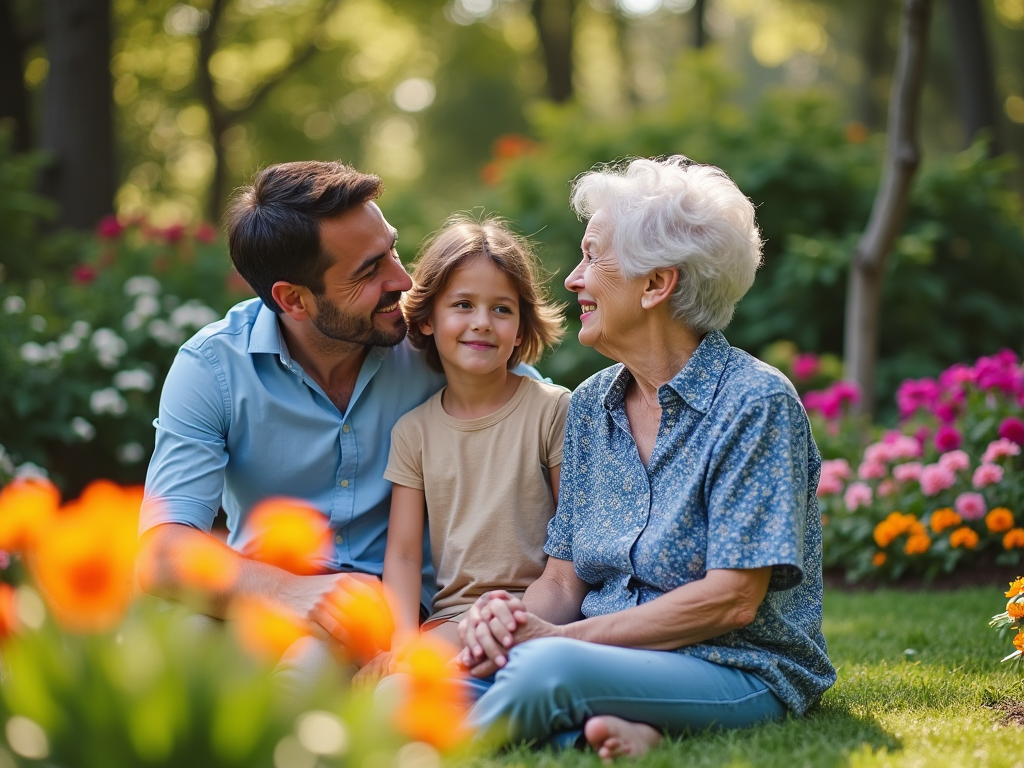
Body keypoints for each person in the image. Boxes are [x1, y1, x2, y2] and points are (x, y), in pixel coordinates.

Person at [457, 156, 837, 760]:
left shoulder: (755, 402)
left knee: (545, 674)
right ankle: (620, 728)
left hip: (735, 667)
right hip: (599, 657)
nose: (574, 279)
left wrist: (557, 640)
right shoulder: (590, 405)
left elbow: (732, 599)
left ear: (657, 285)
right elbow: (562, 578)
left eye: (592, 257)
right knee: (423, 682)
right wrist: (507, 627)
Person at [135, 161, 539, 684]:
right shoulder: (214, 367)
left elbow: (535, 408)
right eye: (369, 271)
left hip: (393, 617)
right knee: (176, 640)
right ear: (294, 300)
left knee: (305, 669)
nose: (404, 279)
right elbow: (163, 553)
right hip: (269, 602)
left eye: (392, 248)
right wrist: (286, 591)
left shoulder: (432, 342)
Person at [355, 216, 569, 685]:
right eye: (464, 305)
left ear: (520, 326)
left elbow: (572, 544)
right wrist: (401, 643)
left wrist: (514, 618)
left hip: (543, 607)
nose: (482, 323)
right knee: (384, 686)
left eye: (501, 309)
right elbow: (406, 554)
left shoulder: (553, 412)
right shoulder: (413, 433)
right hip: (453, 619)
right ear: (428, 318)